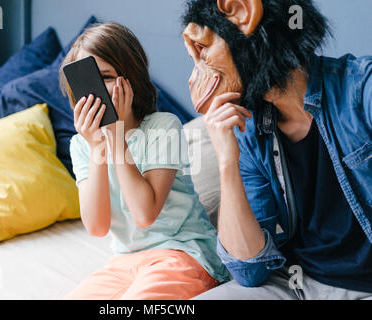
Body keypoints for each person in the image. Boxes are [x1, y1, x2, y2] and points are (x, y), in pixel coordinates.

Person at [180, 0, 372, 299]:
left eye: (202, 51)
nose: (194, 78)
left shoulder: (362, 91)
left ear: (243, 11)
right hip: (295, 280)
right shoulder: (250, 131)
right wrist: (226, 161)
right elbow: (249, 270)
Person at [59, 22, 228, 300]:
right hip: (125, 262)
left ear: (130, 79)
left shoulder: (163, 127)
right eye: (88, 80)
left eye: (107, 76)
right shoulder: (81, 144)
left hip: (183, 253)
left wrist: (115, 139)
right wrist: (97, 149)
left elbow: (144, 214)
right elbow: (97, 227)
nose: (97, 90)